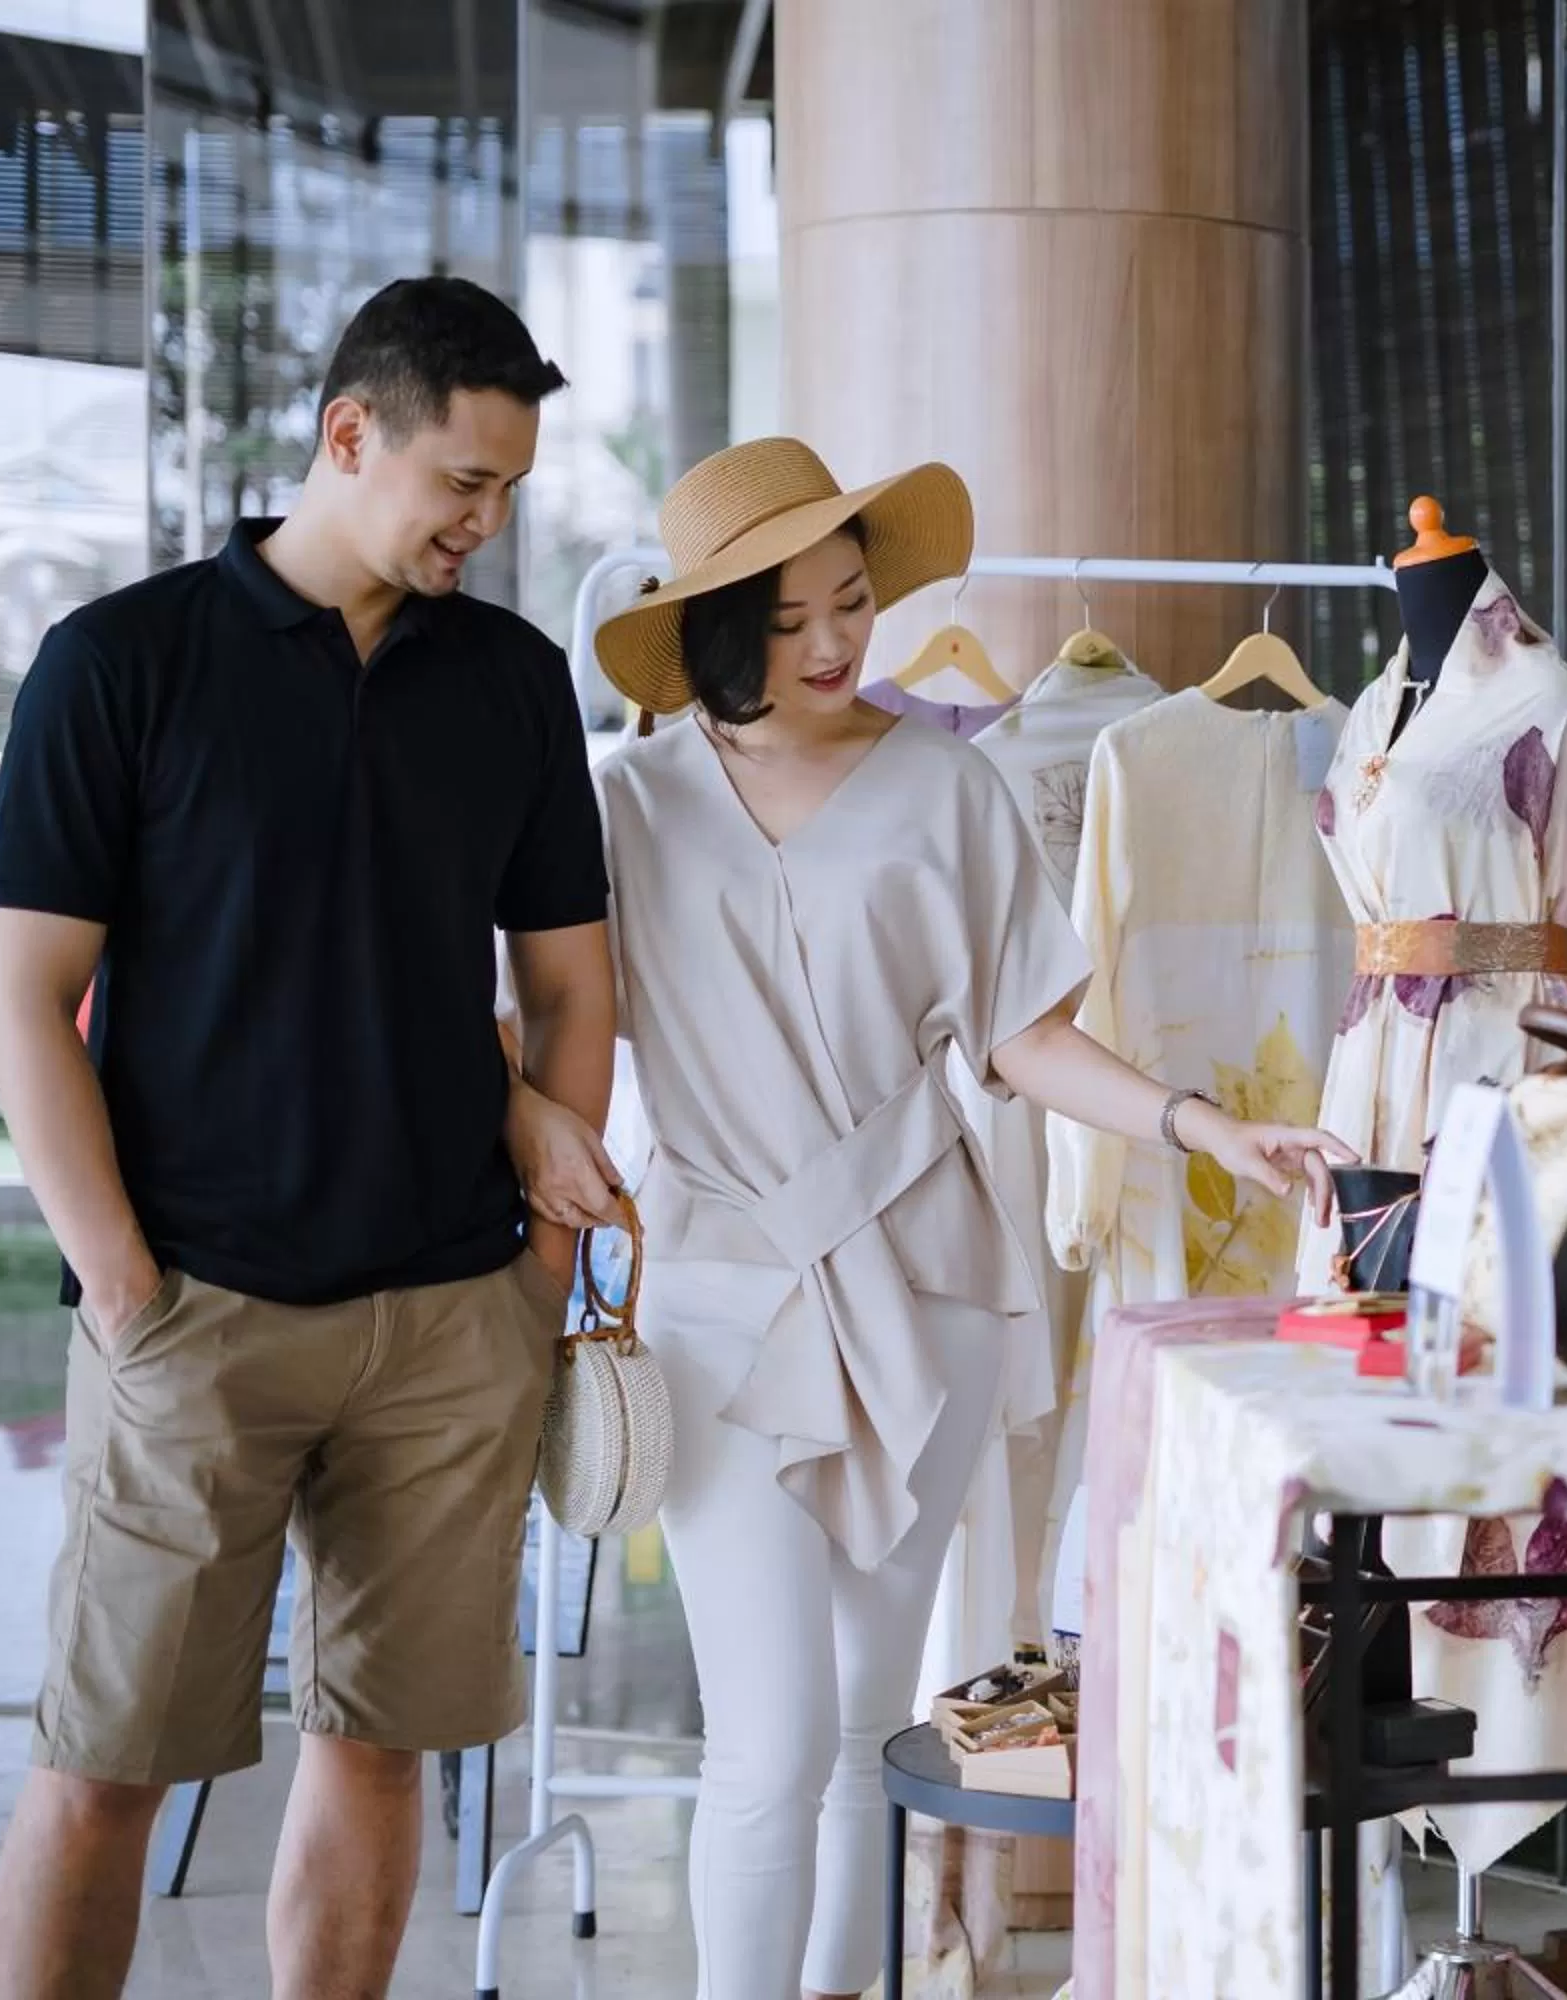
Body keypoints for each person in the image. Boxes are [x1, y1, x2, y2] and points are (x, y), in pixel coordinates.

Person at [494, 435, 1353, 2000]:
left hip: (925, 1284)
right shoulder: (623, 803)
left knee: (861, 1718)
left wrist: (1201, 1120)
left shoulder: (949, 786)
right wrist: (525, 1114)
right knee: (760, 1738)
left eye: (855, 603)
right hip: (720, 1296)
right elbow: (536, 1012)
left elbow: (1019, 1039)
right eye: (794, 617)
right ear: (715, 630)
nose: (839, 644)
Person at [0, 276, 613, 2000]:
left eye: (508, 494)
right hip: (195, 1306)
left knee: (384, 1751)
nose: (486, 525)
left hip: (447, 1316)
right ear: (350, 436)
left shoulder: (514, 681)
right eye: (462, 485)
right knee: (105, 1766)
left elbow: (568, 990)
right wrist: (121, 1285)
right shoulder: (117, 662)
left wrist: (539, 1270)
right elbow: (20, 998)